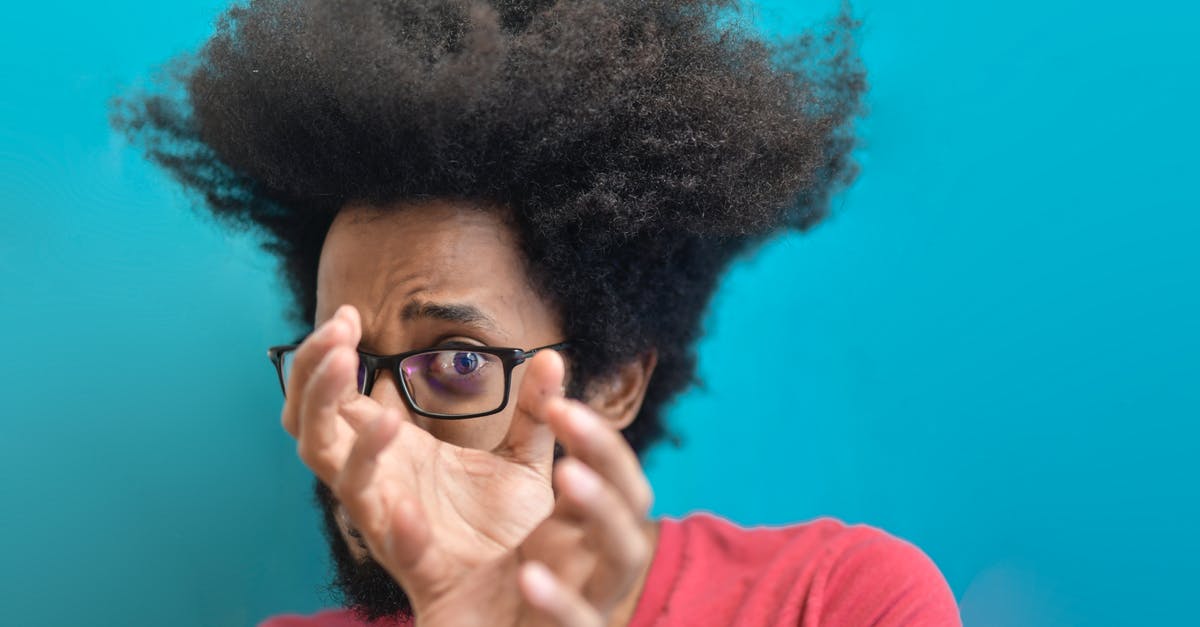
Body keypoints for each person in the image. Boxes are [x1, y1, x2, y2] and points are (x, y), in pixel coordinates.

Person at [113, 0, 961, 624]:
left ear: (616, 383)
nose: (366, 422)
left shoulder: (841, 599)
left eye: (454, 361)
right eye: (338, 364)